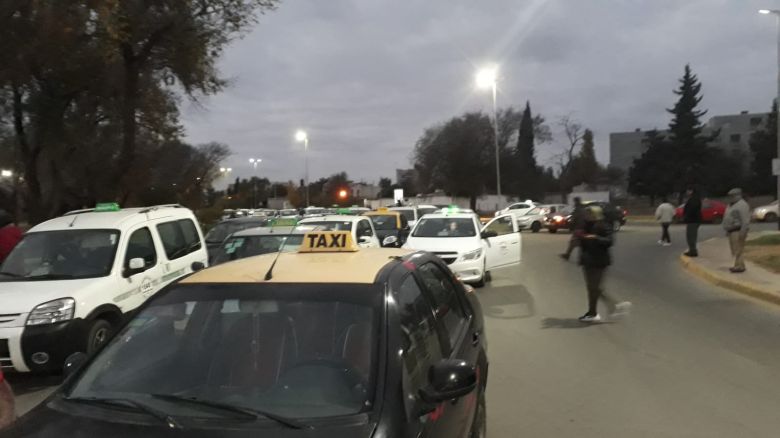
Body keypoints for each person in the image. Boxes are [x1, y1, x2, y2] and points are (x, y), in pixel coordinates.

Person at [577, 206, 631, 323]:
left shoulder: (604, 225)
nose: (587, 216)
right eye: (586, 214)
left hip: (599, 261)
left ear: (596, 214)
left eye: (589, 214)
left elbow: (610, 241)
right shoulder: (586, 225)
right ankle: (594, 312)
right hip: (587, 260)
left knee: (595, 288)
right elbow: (581, 240)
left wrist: (595, 238)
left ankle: (615, 306)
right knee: (592, 288)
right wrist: (580, 236)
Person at [722, 188, 750, 273]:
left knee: (738, 249)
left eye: (733, 196)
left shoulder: (742, 205)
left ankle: (740, 266)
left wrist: (743, 232)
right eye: (730, 196)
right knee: (735, 249)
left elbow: (745, 221)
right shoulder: (731, 205)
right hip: (731, 230)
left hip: (737, 230)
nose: (731, 197)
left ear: (739, 195)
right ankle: (738, 265)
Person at [682, 188, 702, 257]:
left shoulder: (694, 199)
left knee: (691, 236)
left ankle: (693, 251)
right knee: (690, 236)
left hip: (693, 220)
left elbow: (692, 209)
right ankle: (692, 250)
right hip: (693, 220)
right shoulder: (694, 198)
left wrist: (687, 216)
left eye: (688, 190)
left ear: (691, 191)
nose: (686, 192)